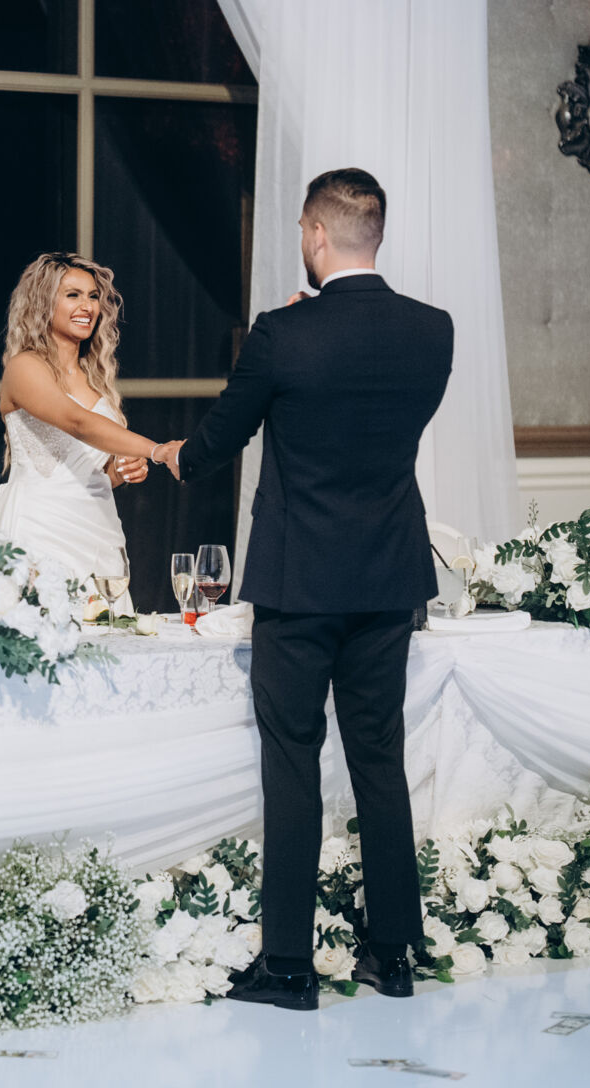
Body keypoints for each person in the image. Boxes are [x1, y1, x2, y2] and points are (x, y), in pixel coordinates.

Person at [153, 168, 454, 1011]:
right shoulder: (433, 330)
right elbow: (370, 419)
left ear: (317, 235)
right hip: (388, 577)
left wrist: (175, 456)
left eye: (301, 231)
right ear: (375, 234)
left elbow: (219, 439)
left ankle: (287, 966)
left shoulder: (282, 333)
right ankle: (393, 955)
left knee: (292, 764)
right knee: (379, 761)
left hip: (299, 581)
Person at [0, 252, 159, 582]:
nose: (87, 307)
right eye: (73, 295)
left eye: (93, 297)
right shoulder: (24, 367)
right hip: (37, 528)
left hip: (95, 530)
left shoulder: (95, 379)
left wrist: (119, 470)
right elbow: (77, 422)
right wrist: (159, 450)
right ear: (43, 304)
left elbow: (93, 473)